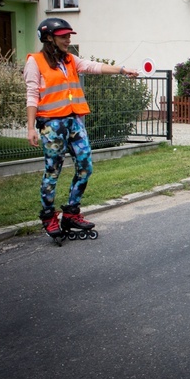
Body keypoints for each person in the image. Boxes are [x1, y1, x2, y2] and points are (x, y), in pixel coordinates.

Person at [25, 18, 139, 242]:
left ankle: (71, 212)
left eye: (69, 36)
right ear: (49, 38)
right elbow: (31, 94)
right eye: (64, 36)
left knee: (85, 165)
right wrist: (30, 127)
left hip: (74, 121)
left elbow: (93, 66)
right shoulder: (35, 62)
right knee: (53, 171)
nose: (68, 40)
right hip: (51, 124)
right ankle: (48, 216)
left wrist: (122, 70)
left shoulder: (69, 60)